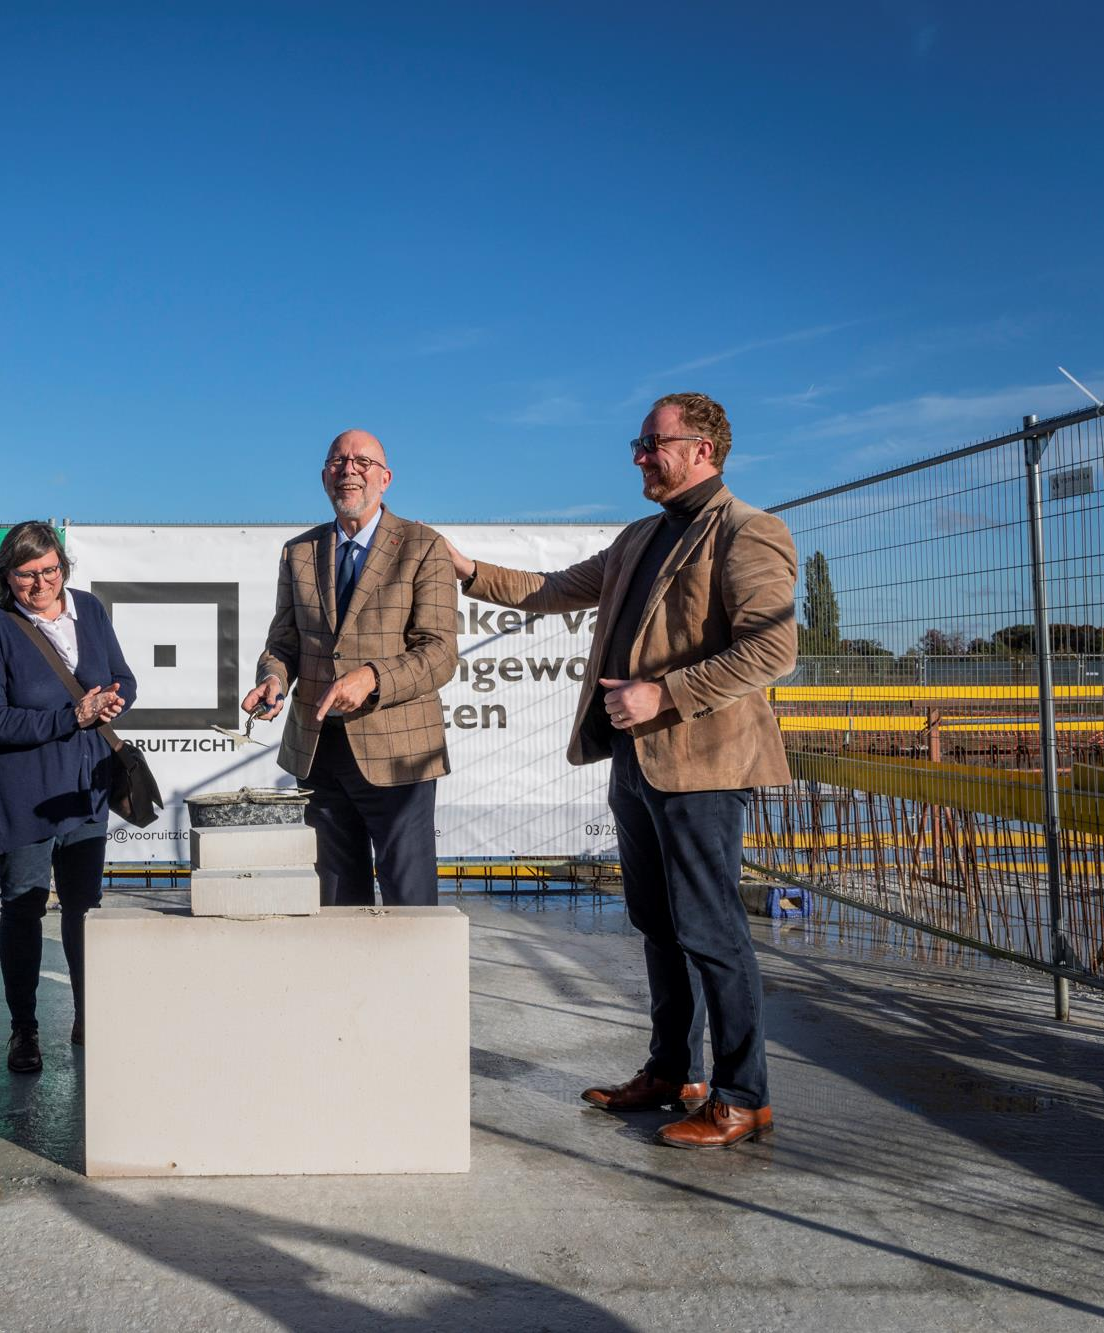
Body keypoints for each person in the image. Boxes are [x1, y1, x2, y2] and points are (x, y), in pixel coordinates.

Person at [443, 392, 797, 1150]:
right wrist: (466, 569)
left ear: (702, 449)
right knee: (658, 924)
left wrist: (663, 693)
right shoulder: (640, 536)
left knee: (711, 929)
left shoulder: (747, 531)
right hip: (635, 760)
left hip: (703, 764)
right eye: (638, 443)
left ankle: (744, 1096)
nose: (639, 456)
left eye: (653, 443)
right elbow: (551, 590)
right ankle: (673, 1073)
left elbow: (773, 649)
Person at [241, 429, 458, 907]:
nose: (349, 470)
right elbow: (283, 642)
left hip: (399, 753)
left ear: (386, 478)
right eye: (337, 461)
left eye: (362, 462)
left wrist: (373, 678)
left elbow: (440, 653)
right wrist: (273, 678)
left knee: (410, 902)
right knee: (337, 903)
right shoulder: (299, 551)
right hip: (319, 752)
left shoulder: (423, 546)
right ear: (324, 477)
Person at [0, 521, 138, 1075]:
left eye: (50, 571)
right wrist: (72, 716)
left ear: (63, 567)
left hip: (84, 786)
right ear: (6, 576)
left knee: (83, 906)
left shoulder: (89, 610)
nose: (41, 584)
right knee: (24, 905)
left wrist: (113, 700)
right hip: (23, 790)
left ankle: (89, 1015)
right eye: (26, 574)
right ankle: (25, 1030)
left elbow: (123, 677)